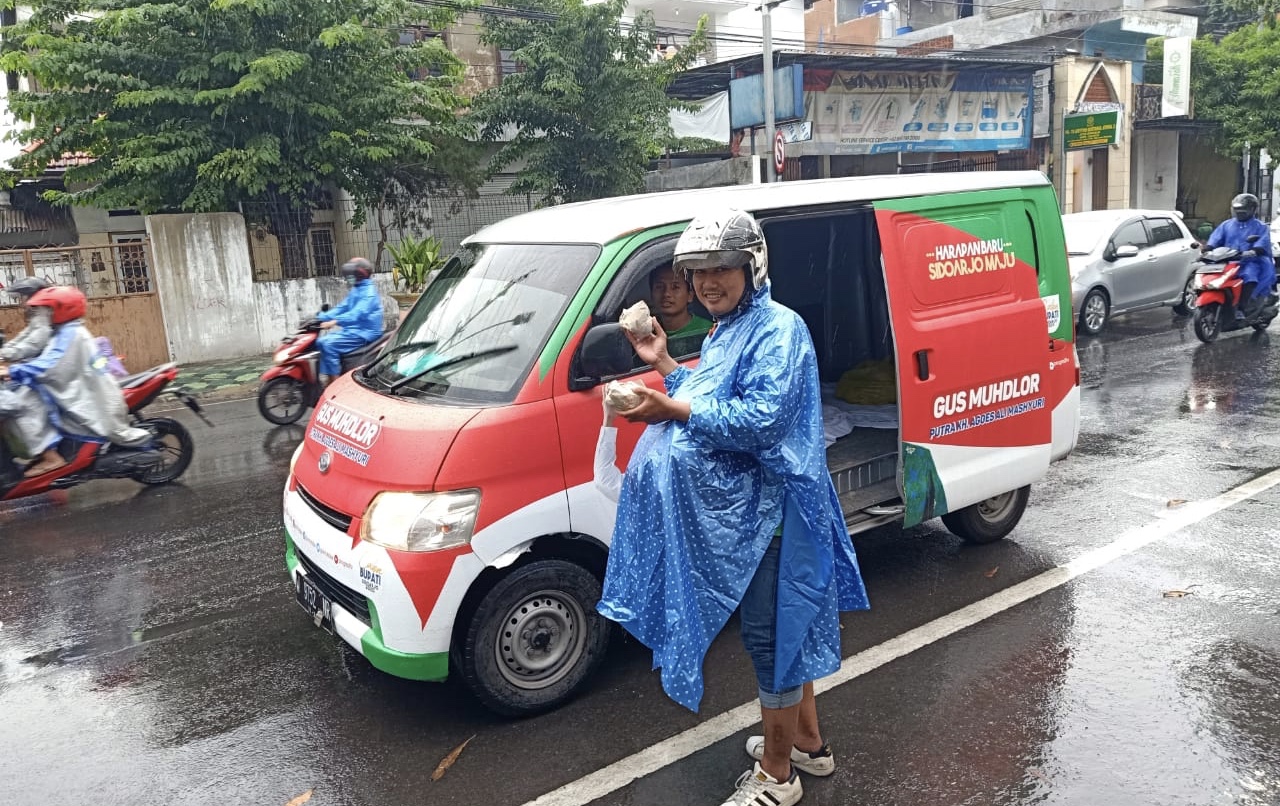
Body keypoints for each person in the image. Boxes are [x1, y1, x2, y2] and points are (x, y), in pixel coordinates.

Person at [598, 209, 870, 806]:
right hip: (745, 515)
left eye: (721, 269)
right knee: (783, 635)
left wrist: (669, 410)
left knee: (774, 639)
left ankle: (778, 777)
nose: (707, 284)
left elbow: (761, 419)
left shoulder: (780, 329)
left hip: (776, 512)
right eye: (697, 273)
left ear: (753, 266)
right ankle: (808, 745)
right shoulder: (728, 329)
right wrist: (664, 364)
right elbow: (709, 394)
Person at [0, 286, 150, 477]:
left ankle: (51, 457)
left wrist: (12, 369)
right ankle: (47, 451)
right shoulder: (62, 330)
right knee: (26, 397)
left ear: (61, 309)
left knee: (23, 405)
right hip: (82, 385)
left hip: (89, 392)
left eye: (49, 309)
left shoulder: (70, 333)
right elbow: (31, 346)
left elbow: (49, 365)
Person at [1204, 193, 1275, 320]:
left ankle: (1242, 308)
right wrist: (1207, 248)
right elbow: (1215, 239)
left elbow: (1262, 243)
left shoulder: (1260, 227)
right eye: (1237, 210)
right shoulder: (1226, 225)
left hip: (1251, 261)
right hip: (1227, 261)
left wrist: (1253, 251)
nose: (1239, 213)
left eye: (1242, 210)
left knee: (1249, 276)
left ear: (1252, 210)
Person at [315, 257, 385, 386]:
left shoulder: (369, 293)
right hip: (354, 330)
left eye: (352, 274)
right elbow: (342, 307)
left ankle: (335, 385)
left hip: (365, 333)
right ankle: (329, 378)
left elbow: (356, 314)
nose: (349, 277)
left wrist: (334, 322)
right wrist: (321, 316)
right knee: (319, 342)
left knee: (328, 343)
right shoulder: (357, 289)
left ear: (360, 274)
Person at [648, 263, 711, 357]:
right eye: (659, 287)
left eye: (675, 287)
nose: (666, 293)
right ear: (651, 294)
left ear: (690, 295)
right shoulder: (647, 333)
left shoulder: (708, 330)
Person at [0, 276, 53, 363]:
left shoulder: (44, 319)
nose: (21, 303)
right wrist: (4, 350)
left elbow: (31, 346)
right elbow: (22, 337)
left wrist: (5, 353)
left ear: (31, 297)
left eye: (22, 297)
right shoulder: (37, 317)